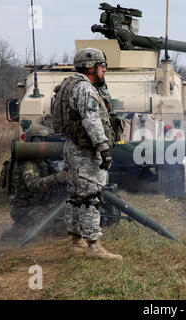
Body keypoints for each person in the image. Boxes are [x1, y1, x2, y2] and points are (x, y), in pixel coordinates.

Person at [58, 47, 122, 261]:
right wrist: (103, 146)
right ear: (91, 67)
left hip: (73, 147)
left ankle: (77, 244)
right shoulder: (85, 89)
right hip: (85, 151)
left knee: (76, 197)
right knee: (91, 197)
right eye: (102, 66)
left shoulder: (69, 84)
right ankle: (93, 246)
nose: (104, 70)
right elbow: (91, 119)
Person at [0, 125, 67, 242]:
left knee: (68, 214)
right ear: (36, 141)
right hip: (25, 209)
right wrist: (58, 177)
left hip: (39, 205)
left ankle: (23, 228)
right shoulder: (26, 162)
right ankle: (17, 232)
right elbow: (34, 185)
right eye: (44, 140)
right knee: (61, 226)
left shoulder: (38, 160)